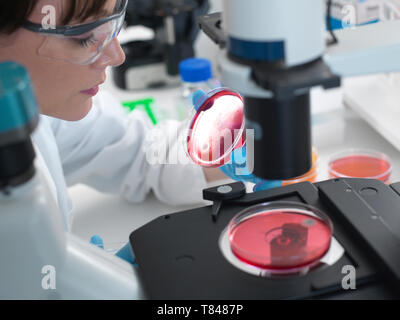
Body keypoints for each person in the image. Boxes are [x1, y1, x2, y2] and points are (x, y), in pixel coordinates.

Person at [0, 0, 227, 231]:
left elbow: (142, 153)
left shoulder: (44, 109)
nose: (117, 56)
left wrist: (241, 147)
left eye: (112, 26)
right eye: (85, 37)